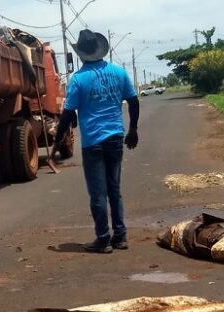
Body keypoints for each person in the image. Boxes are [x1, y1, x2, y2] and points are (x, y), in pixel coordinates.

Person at [52, 30, 140, 253]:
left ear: (81, 54)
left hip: (93, 142)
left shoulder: (79, 80)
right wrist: (133, 130)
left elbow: (68, 114)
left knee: (98, 194)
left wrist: (57, 140)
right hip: (115, 138)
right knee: (114, 190)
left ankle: (103, 239)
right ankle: (120, 237)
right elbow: (133, 100)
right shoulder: (119, 73)